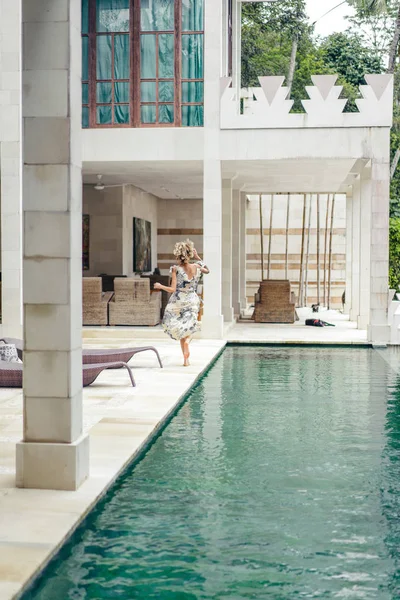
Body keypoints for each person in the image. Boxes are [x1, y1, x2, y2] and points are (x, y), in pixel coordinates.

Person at [154, 240, 209, 366]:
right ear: (189, 254)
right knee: (189, 327)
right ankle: (188, 343)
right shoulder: (196, 266)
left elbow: (172, 289)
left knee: (179, 328)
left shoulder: (175, 269)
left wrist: (160, 286)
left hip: (178, 301)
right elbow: (207, 270)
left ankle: (186, 360)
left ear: (178, 256)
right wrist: (198, 257)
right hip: (192, 300)